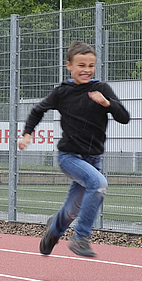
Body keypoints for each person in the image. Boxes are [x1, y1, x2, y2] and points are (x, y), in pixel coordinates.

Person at [18, 41, 130, 257]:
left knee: (70, 211)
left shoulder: (102, 89)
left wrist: (108, 104)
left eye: (91, 65)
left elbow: (124, 117)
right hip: (69, 156)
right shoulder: (62, 92)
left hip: (93, 159)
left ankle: (54, 229)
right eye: (81, 65)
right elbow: (37, 111)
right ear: (69, 66)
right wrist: (27, 134)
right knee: (98, 184)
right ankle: (81, 238)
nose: (86, 70)